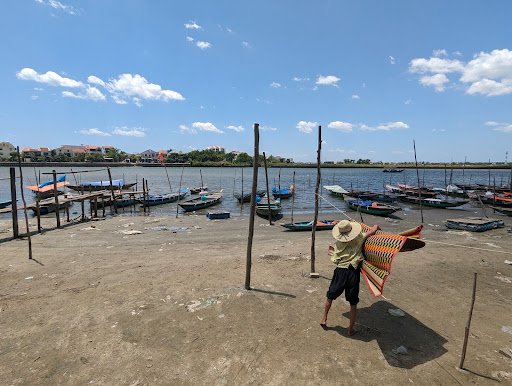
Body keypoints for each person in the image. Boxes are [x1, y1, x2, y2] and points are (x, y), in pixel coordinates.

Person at [320, 219, 380, 335]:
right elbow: (373, 230)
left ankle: (324, 318)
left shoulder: (338, 243)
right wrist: (376, 226)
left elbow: (335, 258)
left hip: (340, 271)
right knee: (353, 302)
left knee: (330, 296)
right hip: (352, 272)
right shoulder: (359, 238)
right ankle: (350, 329)